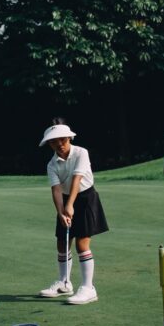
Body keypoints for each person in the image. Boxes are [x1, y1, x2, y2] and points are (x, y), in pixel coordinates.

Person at [38, 118, 108, 305]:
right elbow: (56, 190)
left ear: (69, 138)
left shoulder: (81, 153)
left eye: (63, 140)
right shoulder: (52, 164)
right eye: (54, 142)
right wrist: (61, 211)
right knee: (62, 243)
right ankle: (64, 283)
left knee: (82, 244)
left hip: (86, 199)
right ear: (49, 144)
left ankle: (88, 288)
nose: (59, 144)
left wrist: (70, 205)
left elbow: (77, 179)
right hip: (65, 200)